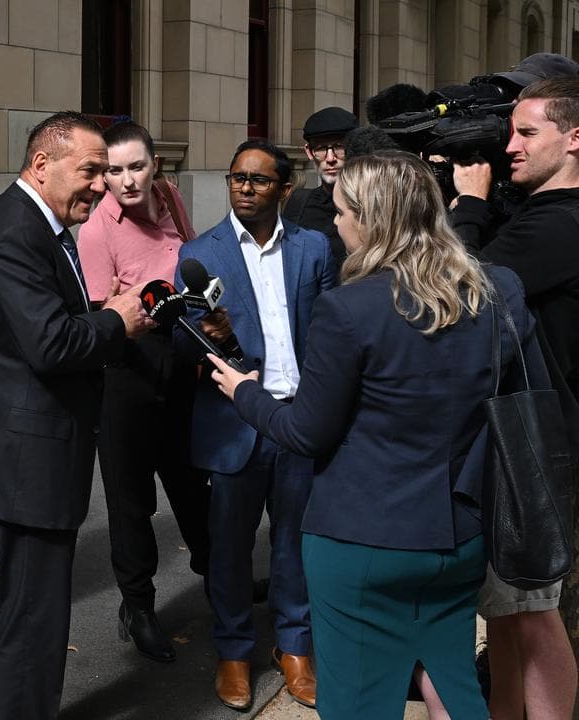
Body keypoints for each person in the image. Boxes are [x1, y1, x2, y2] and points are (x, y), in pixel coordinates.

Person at [207, 150, 549, 720]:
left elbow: (305, 432)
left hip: (361, 541)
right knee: (455, 686)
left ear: (372, 218)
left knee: (358, 703)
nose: (335, 222)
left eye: (342, 211)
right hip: (460, 535)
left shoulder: (348, 310)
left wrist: (244, 392)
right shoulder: (497, 292)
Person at [0, 111, 154, 720]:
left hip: (34, 450)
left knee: (25, 610)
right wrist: (119, 319)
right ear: (42, 164)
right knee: (31, 615)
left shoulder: (37, 224)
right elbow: (52, 343)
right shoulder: (15, 230)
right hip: (25, 457)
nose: (103, 184)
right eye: (90, 170)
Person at [176, 139, 335, 711]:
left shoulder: (315, 248)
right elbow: (177, 338)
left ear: (284, 189)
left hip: (299, 419)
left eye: (258, 180)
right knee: (230, 549)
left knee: (295, 543)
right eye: (236, 178)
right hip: (235, 424)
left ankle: (294, 648)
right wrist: (207, 337)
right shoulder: (201, 252)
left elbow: (330, 329)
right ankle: (234, 650)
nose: (244, 187)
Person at [448, 76, 579, 720]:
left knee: (534, 614)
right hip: (528, 442)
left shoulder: (561, 224)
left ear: (575, 138)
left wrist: (467, 206)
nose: (510, 147)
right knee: (508, 612)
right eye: (510, 132)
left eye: (527, 133)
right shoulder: (539, 215)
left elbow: (463, 292)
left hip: (543, 451)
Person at [76, 120, 209, 663]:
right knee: (131, 504)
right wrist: (118, 308)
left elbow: (194, 260)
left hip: (179, 362)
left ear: (156, 166)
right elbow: (94, 319)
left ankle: (219, 581)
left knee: (192, 484)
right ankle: (139, 607)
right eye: (113, 170)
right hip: (125, 373)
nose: (126, 180)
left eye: (136, 167)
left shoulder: (171, 199)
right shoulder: (96, 228)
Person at [282, 106, 359, 266]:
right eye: (321, 149)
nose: (330, 158)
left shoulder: (371, 203)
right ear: (309, 152)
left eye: (339, 147)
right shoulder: (298, 203)